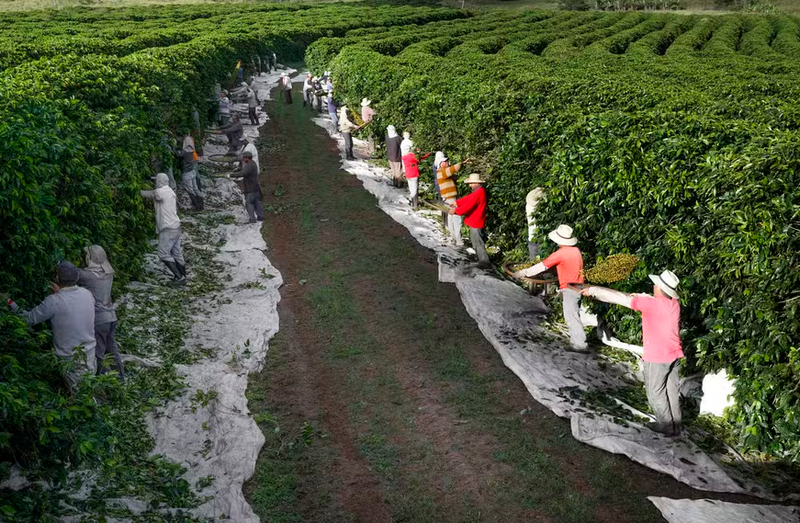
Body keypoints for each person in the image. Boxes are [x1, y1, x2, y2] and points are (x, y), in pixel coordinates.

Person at [581, 270, 684, 436]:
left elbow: (619, 298)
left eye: (655, 284)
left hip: (658, 356)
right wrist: (639, 295)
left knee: (655, 391)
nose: (653, 286)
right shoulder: (673, 303)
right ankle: (676, 424)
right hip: (674, 353)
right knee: (671, 390)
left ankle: (666, 425)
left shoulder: (652, 305)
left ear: (658, 287)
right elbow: (648, 299)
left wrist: (593, 291)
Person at [5, 261, 97, 390]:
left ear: (56, 279)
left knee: (81, 398)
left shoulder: (54, 301)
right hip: (90, 353)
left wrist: (8, 301)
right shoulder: (87, 294)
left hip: (69, 359)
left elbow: (27, 319)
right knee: (88, 391)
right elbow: (71, 304)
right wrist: (60, 293)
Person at [513, 224, 587, 352]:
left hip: (570, 288)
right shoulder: (576, 251)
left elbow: (542, 266)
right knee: (574, 314)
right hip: (579, 286)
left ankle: (580, 345)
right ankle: (577, 342)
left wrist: (523, 273)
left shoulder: (561, 253)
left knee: (571, 317)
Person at [78, 245, 124, 381]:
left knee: (99, 353)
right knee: (112, 349)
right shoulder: (108, 273)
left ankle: (103, 382)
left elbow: (69, 273)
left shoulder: (88, 276)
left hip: (99, 320)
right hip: (111, 317)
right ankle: (120, 378)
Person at [140, 173, 186, 286]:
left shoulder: (161, 192)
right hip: (176, 226)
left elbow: (151, 194)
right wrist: (150, 179)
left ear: (159, 182)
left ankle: (179, 277)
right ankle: (183, 275)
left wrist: (137, 191)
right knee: (176, 252)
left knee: (163, 253)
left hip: (168, 228)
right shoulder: (170, 191)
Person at [449, 173, 490, 268]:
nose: (470, 185)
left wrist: (456, 211)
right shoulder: (478, 191)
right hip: (475, 220)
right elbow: (468, 199)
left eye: (471, 183)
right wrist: (457, 203)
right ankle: (481, 259)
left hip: (476, 221)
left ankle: (484, 262)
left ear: (476, 183)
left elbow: (469, 205)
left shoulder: (479, 192)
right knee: (476, 242)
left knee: (478, 243)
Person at [436, 154, 467, 246]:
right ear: (441, 164)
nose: (447, 163)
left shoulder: (441, 172)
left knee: (451, 218)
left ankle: (454, 238)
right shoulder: (442, 172)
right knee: (456, 218)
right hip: (450, 198)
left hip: (447, 198)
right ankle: (459, 240)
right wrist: (462, 163)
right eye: (445, 161)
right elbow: (453, 169)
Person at [230, 150, 264, 223]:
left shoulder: (249, 165)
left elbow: (243, 173)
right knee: (256, 202)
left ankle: (252, 219)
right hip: (255, 186)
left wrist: (231, 175)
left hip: (250, 187)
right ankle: (261, 216)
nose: (243, 159)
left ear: (247, 158)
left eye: (244, 158)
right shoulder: (253, 163)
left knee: (249, 203)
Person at [180, 135, 204, 211]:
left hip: (187, 173)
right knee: (196, 189)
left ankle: (196, 206)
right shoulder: (191, 151)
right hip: (192, 172)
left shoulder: (185, 152)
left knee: (190, 190)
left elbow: (178, 154)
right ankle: (201, 205)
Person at [401, 132, 420, 209]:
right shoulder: (412, 157)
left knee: (411, 188)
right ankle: (415, 204)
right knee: (415, 189)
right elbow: (419, 157)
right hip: (414, 174)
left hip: (408, 173)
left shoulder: (404, 157)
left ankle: (413, 202)